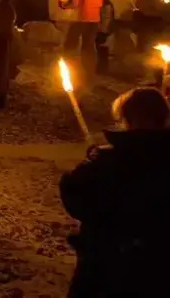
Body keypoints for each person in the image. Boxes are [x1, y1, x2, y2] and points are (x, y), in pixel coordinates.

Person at [60, 87, 170, 298]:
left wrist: (86, 167)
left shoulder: (110, 162)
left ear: (128, 119)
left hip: (107, 267)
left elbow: (78, 199)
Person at [61, 0, 104, 81]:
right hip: (94, 21)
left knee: (70, 43)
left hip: (81, 20)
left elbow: (75, 4)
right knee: (88, 47)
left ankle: (68, 67)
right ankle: (89, 72)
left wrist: (64, 5)